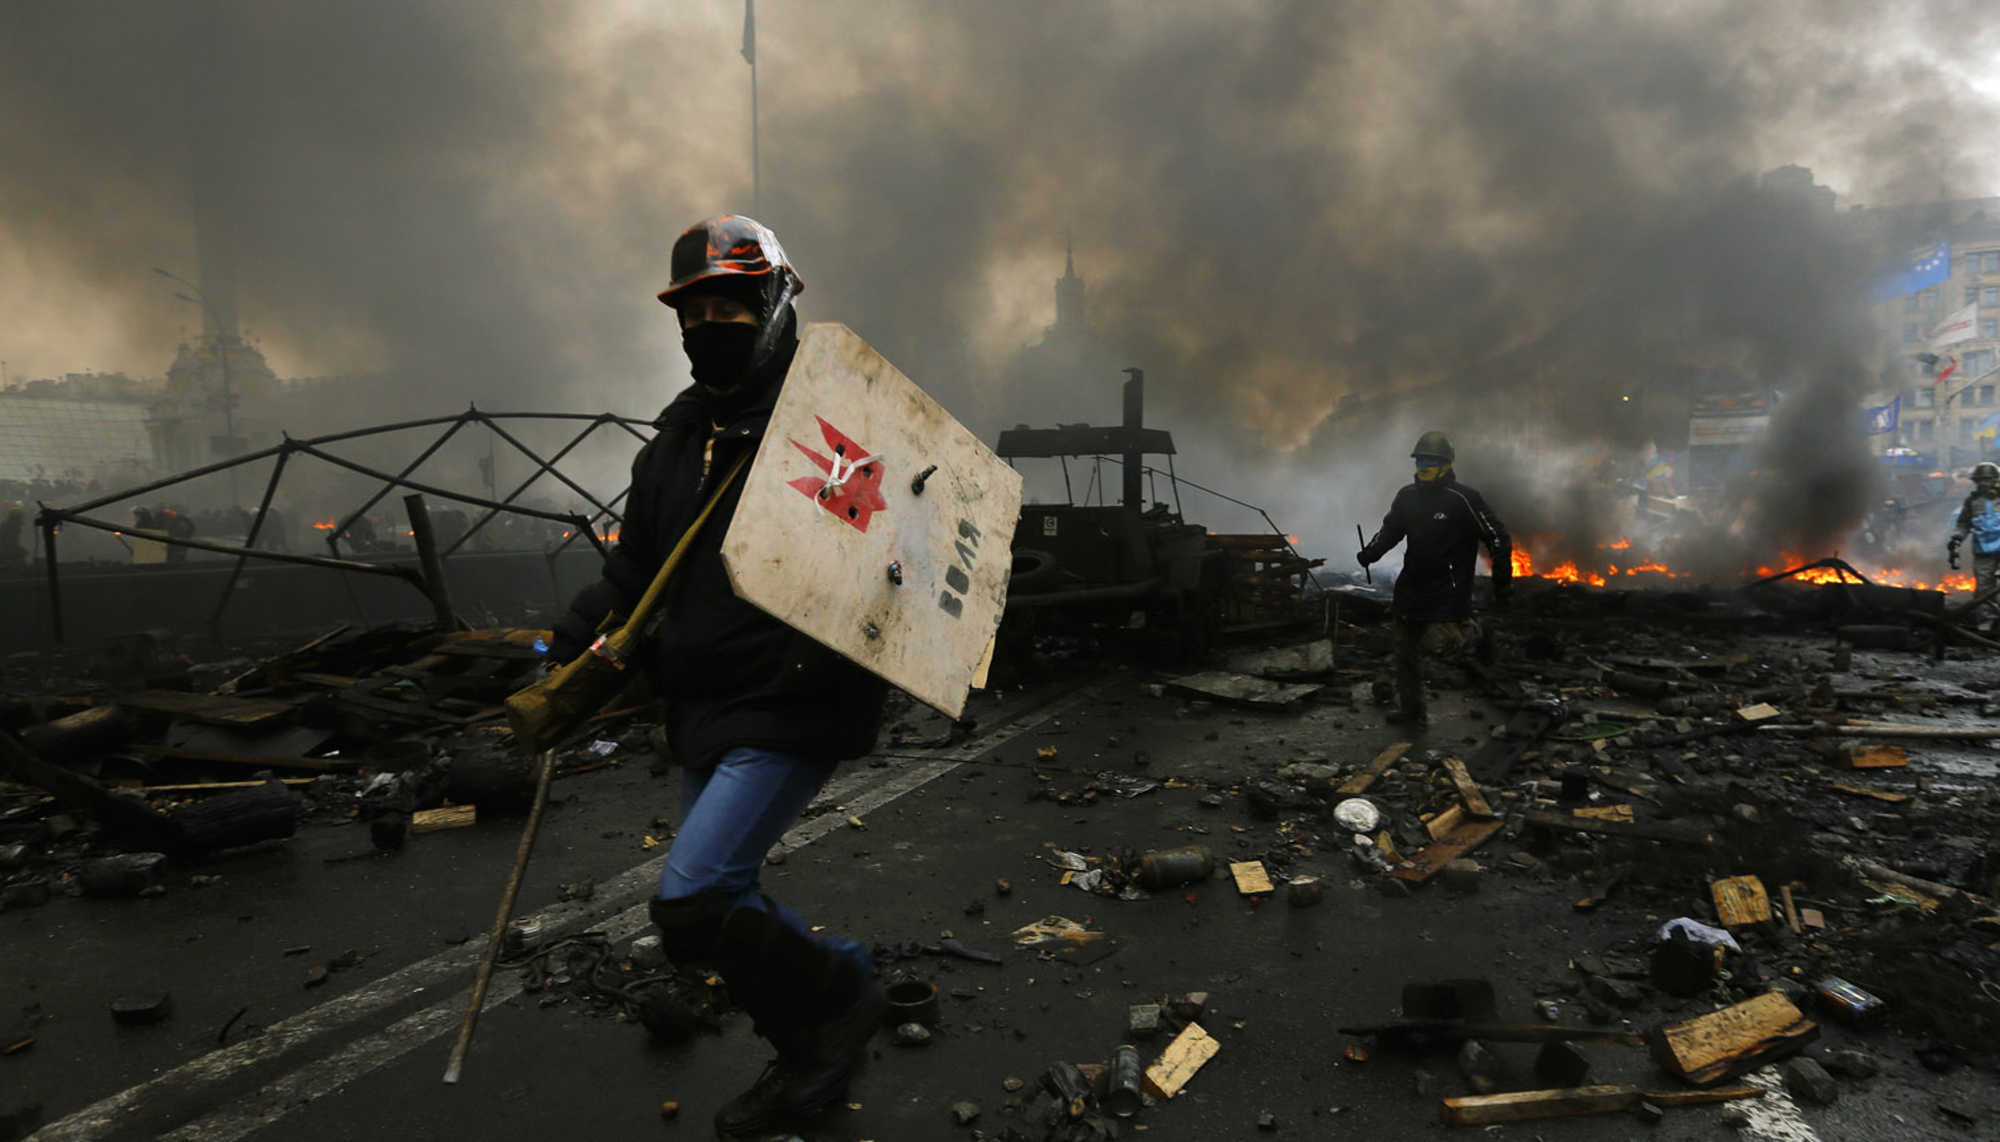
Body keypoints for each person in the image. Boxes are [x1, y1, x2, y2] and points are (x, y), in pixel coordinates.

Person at [548, 214, 888, 1138]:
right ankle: (839, 992)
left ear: (778, 303)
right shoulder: (671, 446)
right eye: (695, 311)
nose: (711, 324)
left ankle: (832, 1018)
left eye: (733, 303)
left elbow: (887, 559)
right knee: (715, 904)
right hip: (701, 702)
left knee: (691, 896)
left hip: (792, 697)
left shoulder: (833, 426)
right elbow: (633, 578)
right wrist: (557, 653)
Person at [1357, 430, 1511, 726]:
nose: (1424, 466)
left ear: (1447, 464)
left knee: (1441, 645)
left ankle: (1478, 633)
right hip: (1411, 586)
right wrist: (1370, 553)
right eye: (1420, 460)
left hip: (1448, 589)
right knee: (1404, 651)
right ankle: (1412, 712)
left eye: (1432, 460)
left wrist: (1501, 582)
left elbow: (1497, 538)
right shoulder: (1407, 497)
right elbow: (1391, 530)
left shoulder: (1462, 499)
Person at [1948, 460, 2000, 632]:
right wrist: (1957, 538)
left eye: (1989, 480)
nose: (1985, 484)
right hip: (1983, 552)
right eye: (1981, 481)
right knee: (1984, 589)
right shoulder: (1972, 502)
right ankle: (1987, 622)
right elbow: (1963, 524)